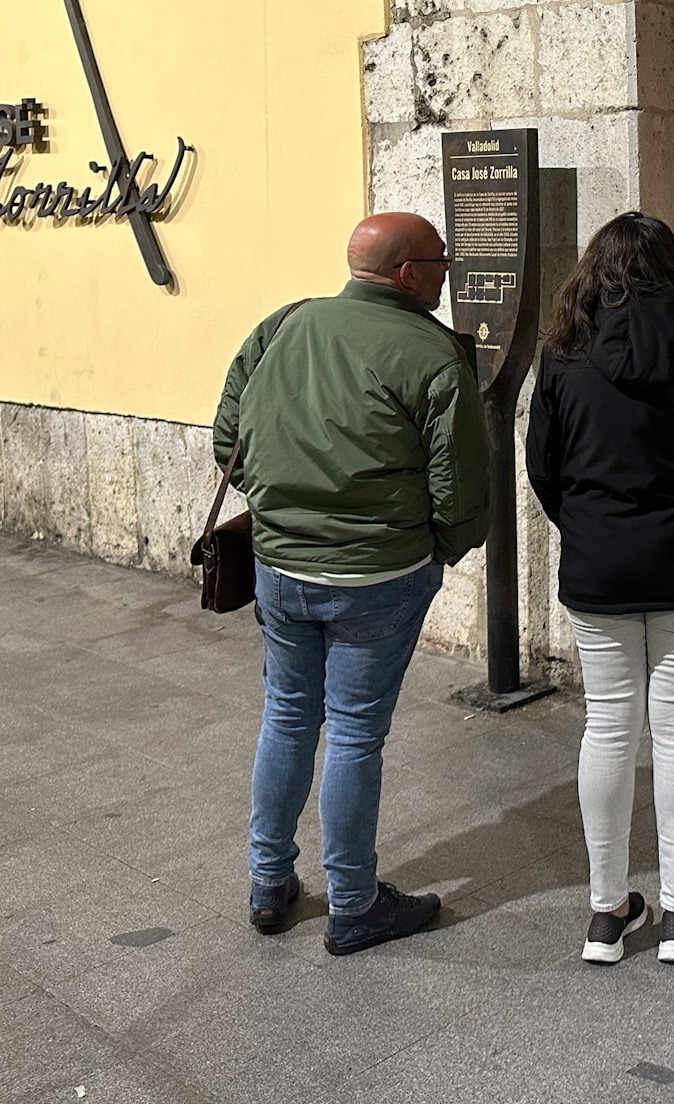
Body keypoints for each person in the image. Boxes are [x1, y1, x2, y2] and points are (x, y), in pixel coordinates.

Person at [212, 211, 491, 955]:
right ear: (408, 274)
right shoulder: (433, 353)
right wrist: (441, 548)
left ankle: (269, 883)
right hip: (379, 575)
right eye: (441, 261)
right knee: (357, 734)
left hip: (280, 565)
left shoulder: (286, 325)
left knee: (287, 716)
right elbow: (460, 483)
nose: (446, 272)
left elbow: (226, 440)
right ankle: (354, 902)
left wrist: (283, 510)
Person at [527, 212, 674, 965]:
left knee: (607, 724)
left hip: (598, 567)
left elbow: (543, 464)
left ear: (594, 268)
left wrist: (590, 529)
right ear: (673, 265)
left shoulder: (563, 350)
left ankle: (605, 915)